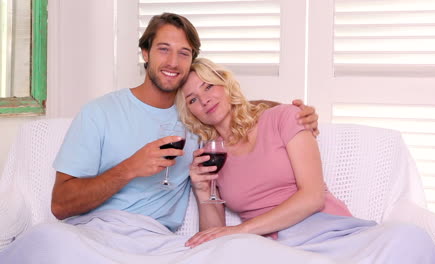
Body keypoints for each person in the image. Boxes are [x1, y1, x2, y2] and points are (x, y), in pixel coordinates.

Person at [0, 13, 323, 264]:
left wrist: (299, 111)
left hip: (156, 244)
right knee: (47, 239)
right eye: (163, 50)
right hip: (94, 233)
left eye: (184, 53)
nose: (173, 63)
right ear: (145, 52)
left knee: (226, 253)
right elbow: (60, 205)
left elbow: (238, 109)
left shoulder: (196, 118)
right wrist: (130, 167)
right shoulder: (100, 112)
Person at [176, 58, 435, 263]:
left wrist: (243, 230)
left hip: (328, 229)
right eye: (193, 99)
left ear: (225, 84)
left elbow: (313, 196)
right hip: (274, 248)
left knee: (410, 237)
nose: (205, 99)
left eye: (208, 86)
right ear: (191, 113)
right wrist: (203, 191)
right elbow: (214, 237)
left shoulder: (285, 117)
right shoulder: (211, 154)